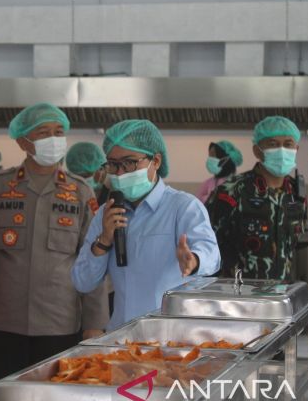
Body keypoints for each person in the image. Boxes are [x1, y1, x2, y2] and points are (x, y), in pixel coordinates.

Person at [0, 103, 108, 380]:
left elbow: (93, 260)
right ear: (23, 141)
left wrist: (95, 323)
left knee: (56, 399)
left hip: (60, 322)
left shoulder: (80, 192)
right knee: (6, 399)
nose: (53, 138)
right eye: (43, 132)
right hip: (5, 322)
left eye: (58, 132)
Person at [71, 120, 220, 329]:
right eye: (113, 164)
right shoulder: (106, 214)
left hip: (171, 336)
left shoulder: (183, 207)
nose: (120, 173)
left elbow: (211, 254)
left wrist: (194, 260)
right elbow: (82, 282)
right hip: (122, 335)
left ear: (156, 161)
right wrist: (103, 241)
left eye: (129, 163)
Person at [207, 116, 306, 281]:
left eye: (288, 144)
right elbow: (206, 242)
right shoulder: (232, 191)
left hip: (281, 291)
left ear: (296, 149)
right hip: (237, 292)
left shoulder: (296, 194)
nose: (281, 150)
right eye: (273, 144)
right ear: (257, 151)